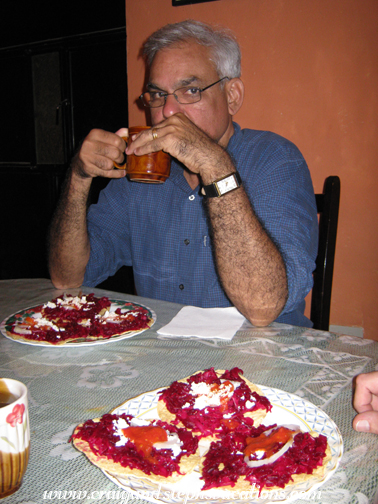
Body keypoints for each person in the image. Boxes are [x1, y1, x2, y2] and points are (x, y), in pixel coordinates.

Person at [48, 20, 318, 328]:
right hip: (163, 361)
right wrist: (79, 177)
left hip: (261, 360)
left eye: (190, 90)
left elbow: (263, 307)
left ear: (232, 96)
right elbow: (68, 277)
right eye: (158, 95)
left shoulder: (275, 160)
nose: (167, 112)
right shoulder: (144, 171)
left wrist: (213, 165)